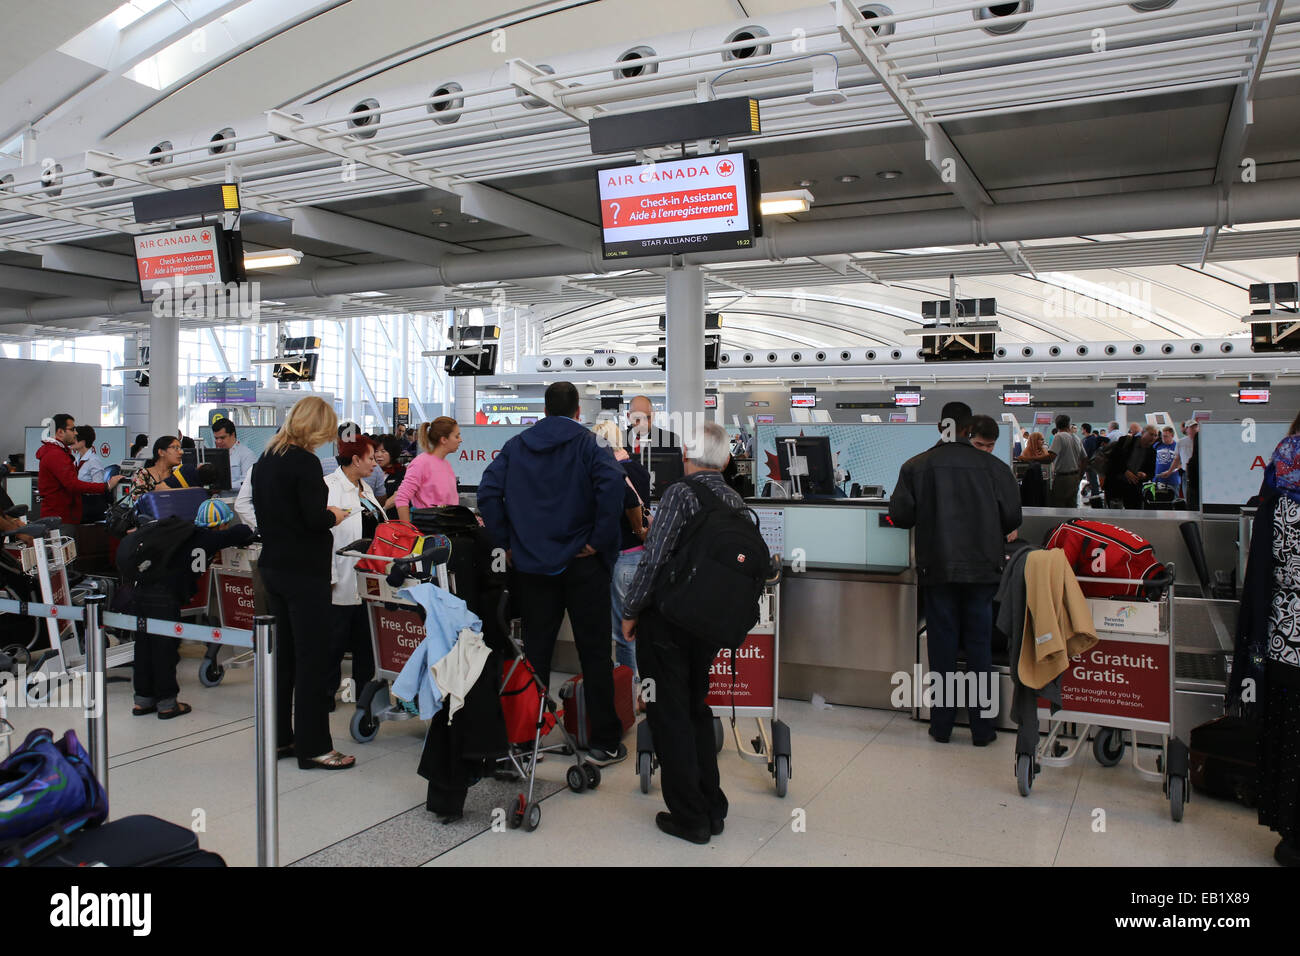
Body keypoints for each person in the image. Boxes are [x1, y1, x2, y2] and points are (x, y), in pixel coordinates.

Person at [477, 381, 627, 766]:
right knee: (594, 653)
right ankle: (604, 742)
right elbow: (614, 486)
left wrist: (507, 541)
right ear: (578, 410)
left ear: (544, 410)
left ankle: (527, 740)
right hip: (583, 565)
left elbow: (488, 493)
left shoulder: (517, 445)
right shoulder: (591, 444)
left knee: (536, 653)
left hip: (532, 568)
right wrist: (598, 538)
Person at [621, 421, 741, 844]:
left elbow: (653, 561)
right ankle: (713, 806)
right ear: (726, 460)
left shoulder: (679, 494)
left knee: (668, 715)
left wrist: (631, 609)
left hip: (668, 623)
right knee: (695, 708)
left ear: (687, 457)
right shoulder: (734, 499)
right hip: (708, 624)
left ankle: (689, 817)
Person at [889, 401, 1022, 747]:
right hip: (983, 571)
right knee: (979, 645)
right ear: (969, 428)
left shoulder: (916, 466)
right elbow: (1012, 518)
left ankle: (942, 726)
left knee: (943, 645)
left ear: (942, 426)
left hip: (937, 569)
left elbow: (901, 516)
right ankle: (982, 729)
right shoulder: (995, 468)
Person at [251, 396, 354, 771]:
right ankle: (314, 746)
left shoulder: (266, 459)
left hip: (274, 567)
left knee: (283, 659)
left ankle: (279, 738)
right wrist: (335, 514)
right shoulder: (304, 462)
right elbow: (312, 519)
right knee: (312, 659)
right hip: (304, 572)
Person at [118, 499, 253, 720]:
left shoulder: (183, 534)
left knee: (144, 647)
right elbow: (240, 532)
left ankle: (143, 700)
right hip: (164, 598)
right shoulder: (209, 538)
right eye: (224, 524)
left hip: (141, 592)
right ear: (220, 525)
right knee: (165, 650)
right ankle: (168, 704)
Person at [1232, 432, 1300, 866]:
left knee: (1290, 733)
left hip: (1285, 640)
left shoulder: (1278, 507)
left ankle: (1292, 837)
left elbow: (1263, 576)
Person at [592, 420, 651, 695]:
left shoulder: (608, 471)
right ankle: (643, 686)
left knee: (623, 632)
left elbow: (628, 500)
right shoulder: (637, 468)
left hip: (622, 558)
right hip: (641, 558)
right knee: (640, 627)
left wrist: (637, 528)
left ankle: (628, 689)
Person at [325, 435, 383, 705]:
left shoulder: (364, 489)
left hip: (368, 580)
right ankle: (324, 695)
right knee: (333, 643)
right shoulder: (330, 487)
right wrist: (330, 576)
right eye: (370, 458)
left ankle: (364, 696)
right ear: (356, 459)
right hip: (341, 578)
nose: (375, 463)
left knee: (366, 643)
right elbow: (325, 536)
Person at [35, 414, 123, 525]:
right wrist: (107, 486)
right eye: (72, 429)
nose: (75, 433)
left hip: (66, 511)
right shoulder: (56, 455)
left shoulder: (60, 453)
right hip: (60, 514)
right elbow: (72, 484)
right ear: (60, 432)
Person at [394, 417, 462, 522]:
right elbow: (401, 497)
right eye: (456, 436)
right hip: (428, 529)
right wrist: (408, 529)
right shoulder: (420, 463)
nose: (460, 440)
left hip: (447, 528)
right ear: (443, 439)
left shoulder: (446, 464)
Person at [1104, 424, 1158, 510]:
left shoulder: (1152, 452)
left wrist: (1144, 475)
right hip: (1115, 485)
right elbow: (1113, 460)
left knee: (1135, 516)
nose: (1154, 437)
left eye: (1156, 435)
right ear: (1143, 433)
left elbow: (1151, 473)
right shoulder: (1126, 441)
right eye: (1151, 434)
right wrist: (1125, 471)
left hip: (1134, 489)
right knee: (1114, 516)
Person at [124, 436, 185, 508]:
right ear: (161, 452)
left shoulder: (178, 476)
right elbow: (139, 504)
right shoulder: (142, 474)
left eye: (180, 448)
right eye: (175, 448)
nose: (181, 452)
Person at [1044, 414, 1086, 509]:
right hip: (1074, 477)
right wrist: (1080, 475)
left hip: (1062, 478)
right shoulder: (1076, 438)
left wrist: (1032, 458)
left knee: (1059, 507)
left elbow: (1051, 457)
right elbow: (1085, 458)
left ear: (1056, 425)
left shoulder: (1059, 436)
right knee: (1071, 507)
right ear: (1069, 424)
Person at [211, 418, 258, 490]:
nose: (219, 441)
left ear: (232, 435)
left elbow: (246, 482)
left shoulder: (247, 455)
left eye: (222, 438)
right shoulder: (213, 455)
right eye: (216, 438)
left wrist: (223, 486)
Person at [373, 434, 406, 508]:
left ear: (392, 453)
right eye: (376, 451)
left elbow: (397, 496)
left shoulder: (401, 472)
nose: (378, 455)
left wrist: (379, 510)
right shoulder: (370, 471)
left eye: (383, 451)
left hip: (392, 516)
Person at [1153, 425, 1181, 495]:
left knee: (1173, 500)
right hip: (1158, 479)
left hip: (1172, 480)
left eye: (1166, 436)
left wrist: (1170, 471)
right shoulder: (1157, 445)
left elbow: (1181, 464)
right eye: (1162, 436)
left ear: (1172, 435)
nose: (1163, 438)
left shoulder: (1177, 446)